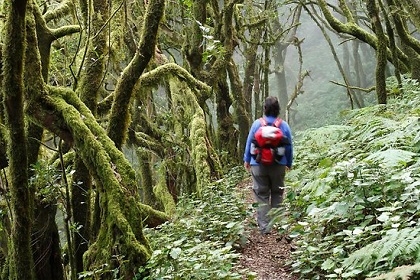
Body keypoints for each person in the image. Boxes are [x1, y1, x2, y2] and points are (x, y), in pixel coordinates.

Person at [243, 96, 293, 234]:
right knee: (277, 192)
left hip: (258, 164)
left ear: (265, 109)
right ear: (278, 110)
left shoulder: (257, 124)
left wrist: (247, 160)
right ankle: (279, 226)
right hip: (278, 164)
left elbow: (249, 143)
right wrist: (289, 162)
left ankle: (265, 228)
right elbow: (289, 146)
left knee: (261, 194)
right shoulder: (283, 125)